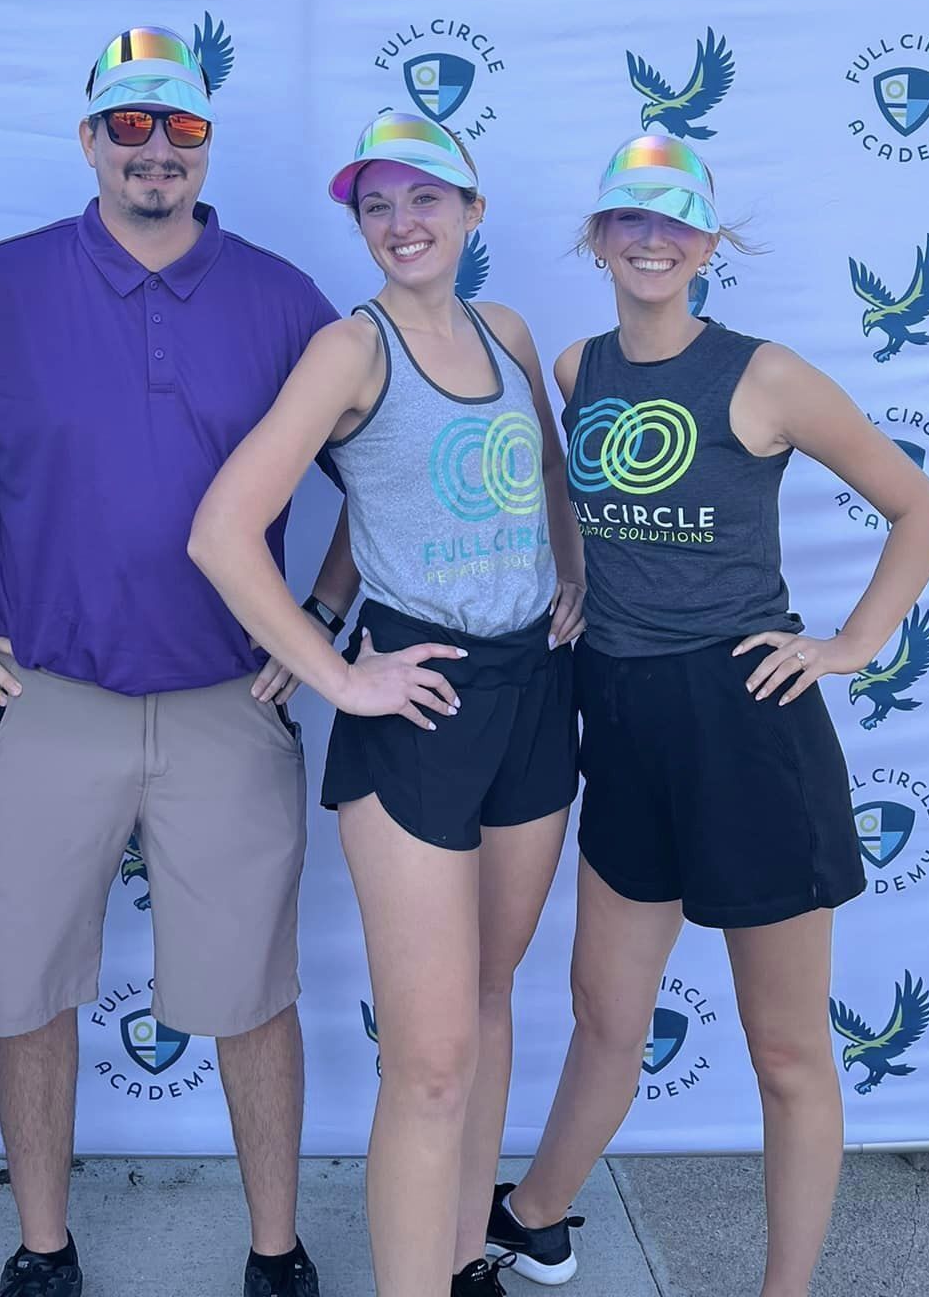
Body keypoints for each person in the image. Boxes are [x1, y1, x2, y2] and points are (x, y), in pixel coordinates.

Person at [0, 25, 344, 1297]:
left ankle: (276, 1252)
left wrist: (317, 621)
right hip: (47, 698)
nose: (155, 150)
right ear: (88, 138)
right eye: (129, 124)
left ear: (208, 143)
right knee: (26, 991)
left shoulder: (282, 296)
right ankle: (44, 1248)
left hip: (226, 702)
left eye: (180, 126)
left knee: (252, 992)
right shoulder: (2, 286)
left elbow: (384, 462)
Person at [485, 134, 929, 1296]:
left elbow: (922, 510)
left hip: (746, 723)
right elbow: (564, 488)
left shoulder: (766, 374)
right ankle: (535, 1217)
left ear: (707, 242)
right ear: (598, 236)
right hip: (621, 713)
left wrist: (851, 643)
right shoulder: (578, 366)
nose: (652, 239)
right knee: (605, 1011)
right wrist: (575, 573)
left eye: (676, 221)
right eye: (629, 217)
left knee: (786, 1049)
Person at [190, 112, 588, 1297]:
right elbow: (221, 531)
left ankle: (464, 1263)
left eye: (426, 198)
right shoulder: (349, 349)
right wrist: (340, 670)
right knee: (428, 1057)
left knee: (490, 1003)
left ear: (473, 211)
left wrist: (569, 568)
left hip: (532, 690)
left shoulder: (508, 330)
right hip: (418, 708)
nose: (402, 222)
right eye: (378, 204)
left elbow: (546, 468)